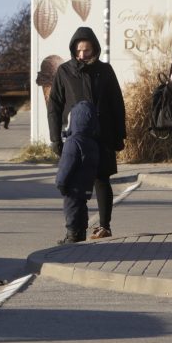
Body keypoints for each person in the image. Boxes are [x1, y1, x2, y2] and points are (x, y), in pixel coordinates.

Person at [47, 26, 126, 240]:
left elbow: (117, 103)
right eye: (79, 50)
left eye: (87, 50)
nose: (82, 55)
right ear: (73, 49)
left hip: (103, 135)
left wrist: (120, 134)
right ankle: (76, 230)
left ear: (95, 49)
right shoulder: (64, 71)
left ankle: (104, 225)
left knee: (102, 179)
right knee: (75, 185)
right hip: (76, 137)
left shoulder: (105, 70)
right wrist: (55, 138)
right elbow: (54, 105)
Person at [54, 100, 100, 244]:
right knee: (81, 207)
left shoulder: (73, 142)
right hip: (86, 185)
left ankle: (72, 234)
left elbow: (67, 165)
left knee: (71, 208)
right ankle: (81, 233)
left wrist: (60, 182)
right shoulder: (92, 142)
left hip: (73, 185)